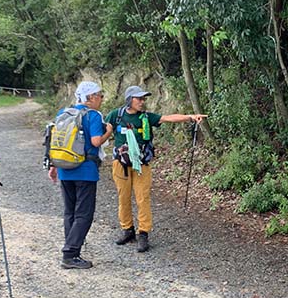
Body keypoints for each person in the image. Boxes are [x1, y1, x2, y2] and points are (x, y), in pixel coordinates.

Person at [105, 85, 206, 252]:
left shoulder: (146, 117)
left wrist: (190, 117)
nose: (142, 102)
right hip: (120, 164)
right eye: (139, 99)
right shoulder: (116, 115)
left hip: (142, 163)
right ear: (130, 99)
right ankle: (127, 230)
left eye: (144, 99)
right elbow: (103, 131)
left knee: (142, 198)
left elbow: (168, 118)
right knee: (123, 197)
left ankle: (143, 233)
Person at [48, 81, 113, 269]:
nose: (101, 99)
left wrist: (53, 165)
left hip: (64, 168)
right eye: (100, 95)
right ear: (90, 97)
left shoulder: (63, 113)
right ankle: (70, 254)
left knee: (70, 211)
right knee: (84, 213)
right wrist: (108, 131)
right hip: (85, 170)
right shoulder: (92, 115)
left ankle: (72, 246)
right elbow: (96, 141)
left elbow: (56, 141)